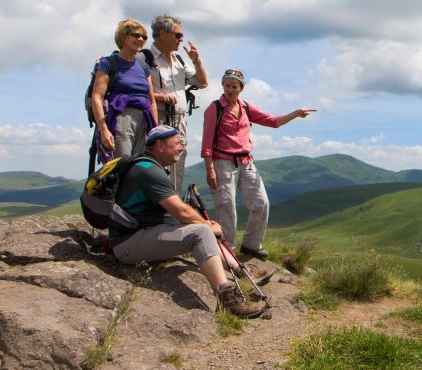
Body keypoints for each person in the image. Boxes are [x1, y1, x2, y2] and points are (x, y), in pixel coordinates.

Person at [110, 125, 267, 318]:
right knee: (201, 232)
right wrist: (207, 224)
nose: (181, 148)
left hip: (139, 235)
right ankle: (227, 298)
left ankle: (239, 270)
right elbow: (181, 211)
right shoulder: (149, 171)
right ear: (160, 145)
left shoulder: (147, 166)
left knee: (201, 228)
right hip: (129, 243)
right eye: (177, 143)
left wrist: (202, 223)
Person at [201, 69, 316, 260]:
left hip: (246, 161)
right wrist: (209, 168)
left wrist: (296, 113)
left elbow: (273, 121)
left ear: (241, 88)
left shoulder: (245, 107)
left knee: (261, 203)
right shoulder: (214, 108)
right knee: (226, 206)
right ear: (222, 86)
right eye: (227, 85)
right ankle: (228, 249)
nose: (230, 90)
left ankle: (251, 245)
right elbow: (207, 142)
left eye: (234, 86)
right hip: (222, 161)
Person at [137, 13, 209, 194]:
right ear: (161, 33)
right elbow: (135, 91)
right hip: (157, 118)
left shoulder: (179, 60)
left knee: (177, 166)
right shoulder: (145, 58)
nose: (181, 39)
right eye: (177, 35)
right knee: (155, 166)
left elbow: (202, 82)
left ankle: (172, 210)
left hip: (179, 121)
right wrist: (160, 97)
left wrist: (196, 60)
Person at [91, 18, 159, 164]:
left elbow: (151, 100)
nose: (141, 39)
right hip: (121, 118)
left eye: (144, 37)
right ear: (123, 36)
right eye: (136, 35)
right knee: (122, 165)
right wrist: (104, 130)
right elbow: (97, 96)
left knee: (141, 166)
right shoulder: (108, 63)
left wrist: (155, 131)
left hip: (144, 120)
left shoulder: (144, 66)